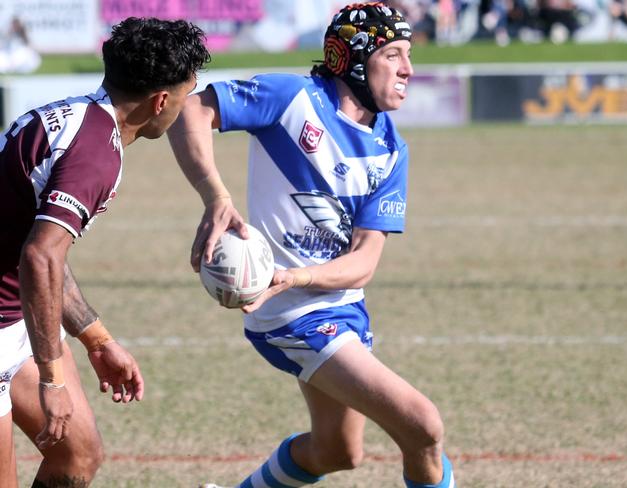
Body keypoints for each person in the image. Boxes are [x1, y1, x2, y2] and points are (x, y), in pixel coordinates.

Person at [168, 3, 455, 487]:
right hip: (288, 314)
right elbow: (190, 112)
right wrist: (215, 196)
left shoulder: (390, 148)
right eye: (394, 54)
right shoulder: (290, 98)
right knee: (422, 427)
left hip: (339, 305)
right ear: (355, 60)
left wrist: (296, 275)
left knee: (337, 451)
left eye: (408, 55)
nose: (408, 68)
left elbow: (363, 263)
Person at [0, 17, 210, 488]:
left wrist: (97, 338)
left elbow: (39, 252)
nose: (182, 107)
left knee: (78, 458)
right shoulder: (96, 152)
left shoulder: (80, 117)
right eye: (184, 95)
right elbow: (40, 258)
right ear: (161, 101)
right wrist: (52, 379)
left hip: (16, 317)